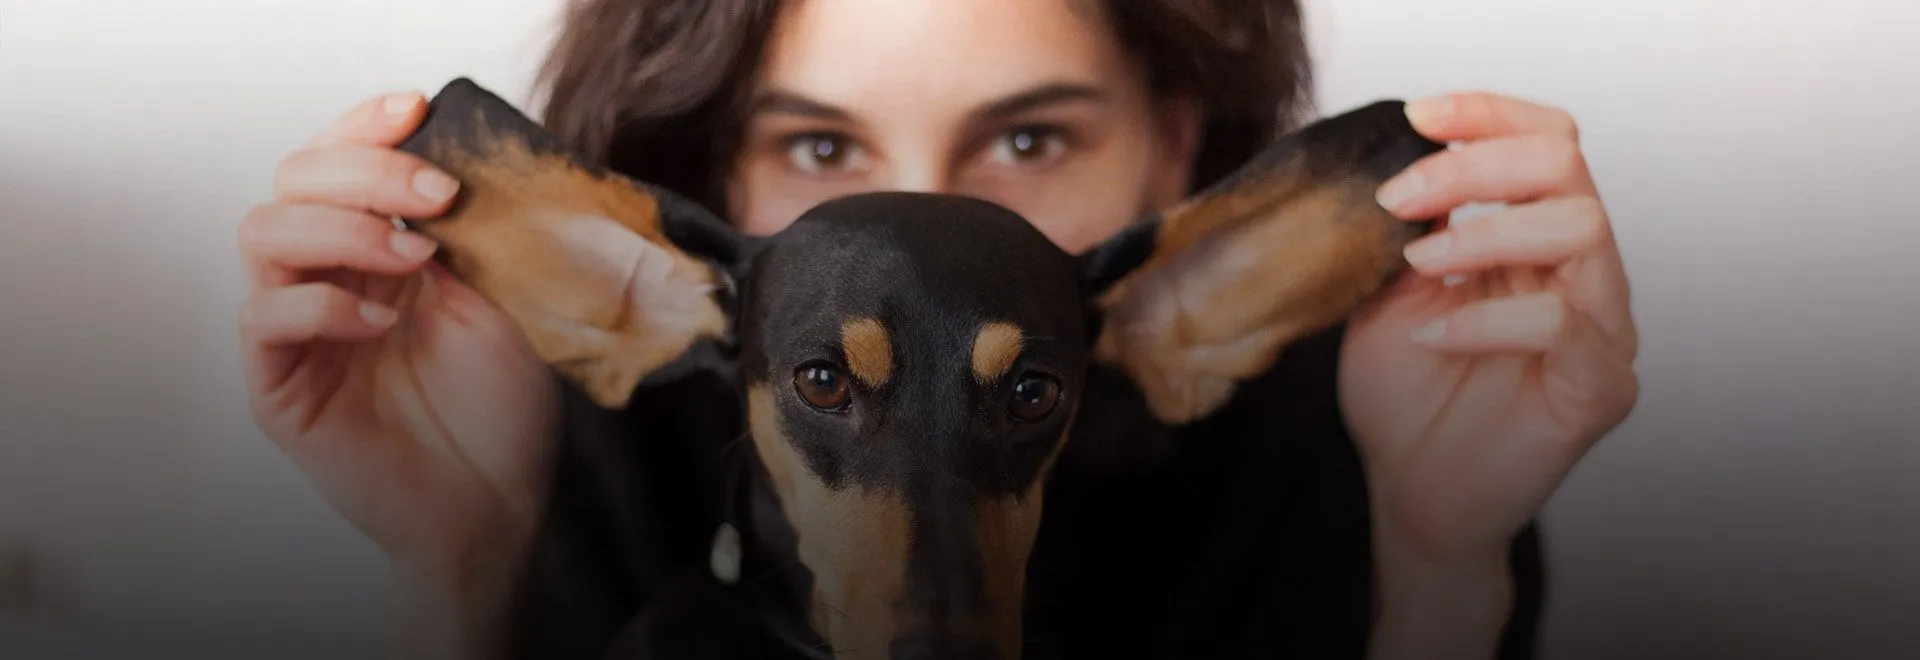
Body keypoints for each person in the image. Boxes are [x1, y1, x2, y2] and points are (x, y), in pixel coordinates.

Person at [234, 0, 1639, 658]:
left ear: (1178, 152)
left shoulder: (1372, 438)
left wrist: (1441, 574)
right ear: (711, 185)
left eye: (1028, 136)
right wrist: (453, 576)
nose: (927, 227)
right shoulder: (586, 449)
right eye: (823, 149)